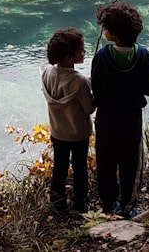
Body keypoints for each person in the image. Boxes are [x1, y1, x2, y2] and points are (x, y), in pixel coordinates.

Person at [90, 1, 149, 218]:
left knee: (105, 160)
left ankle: (109, 203)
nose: (103, 30)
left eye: (105, 27)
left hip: (106, 118)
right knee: (131, 161)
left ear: (112, 33)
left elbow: (96, 87)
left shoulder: (102, 56)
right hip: (132, 118)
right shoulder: (144, 56)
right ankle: (129, 205)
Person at [41, 27, 95, 214]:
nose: (84, 52)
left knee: (60, 168)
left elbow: (65, 81)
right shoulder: (79, 81)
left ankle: (57, 204)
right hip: (78, 134)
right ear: (69, 57)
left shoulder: (47, 72)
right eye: (81, 50)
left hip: (58, 132)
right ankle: (80, 204)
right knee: (80, 169)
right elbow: (89, 108)